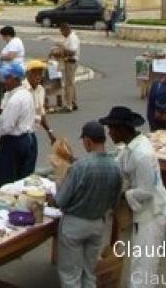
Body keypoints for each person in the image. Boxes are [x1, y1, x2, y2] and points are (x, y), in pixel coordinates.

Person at [99, 106, 166, 288]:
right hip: (144, 213)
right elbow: (118, 165)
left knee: (144, 266)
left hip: (153, 213)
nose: (109, 134)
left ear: (123, 129)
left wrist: (124, 194)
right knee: (139, 263)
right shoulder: (130, 148)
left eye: (112, 129)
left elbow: (146, 191)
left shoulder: (142, 155)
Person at [50, 121, 122, 288]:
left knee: (70, 276)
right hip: (97, 223)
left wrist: (52, 196)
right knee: (89, 273)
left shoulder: (80, 167)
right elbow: (114, 201)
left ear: (88, 141)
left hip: (75, 224)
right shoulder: (116, 167)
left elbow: (61, 200)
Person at [0, 63, 36, 189]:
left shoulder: (15, 100)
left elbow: (6, 127)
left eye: (7, 78)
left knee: (5, 181)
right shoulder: (26, 94)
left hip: (12, 142)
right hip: (26, 139)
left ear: (16, 79)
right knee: (21, 178)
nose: (4, 81)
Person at [26, 60, 55, 149]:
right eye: (35, 73)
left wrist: (49, 131)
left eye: (40, 73)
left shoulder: (40, 90)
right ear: (28, 74)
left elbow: (41, 113)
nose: (38, 76)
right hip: (20, 134)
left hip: (32, 132)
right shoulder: (22, 90)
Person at [58, 23, 80, 112]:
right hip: (68, 62)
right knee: (71, 83)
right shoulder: (68, 38)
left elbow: (73, 51)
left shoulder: (72, 38)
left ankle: (68, 105)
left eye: (62, 32)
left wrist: (62, 48)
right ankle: (74, 102)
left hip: (71, 62)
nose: (62, 34)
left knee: (68, 84)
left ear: (66, 30)